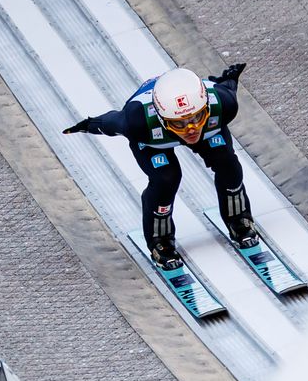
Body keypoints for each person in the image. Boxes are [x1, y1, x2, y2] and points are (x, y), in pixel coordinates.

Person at [63, 63, 254, 268]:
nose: (190, 129)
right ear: (162, 119)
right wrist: (88, 125)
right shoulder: (138, 121)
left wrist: (230, 77)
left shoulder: (224, 104)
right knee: (166, 179)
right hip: (153, 139)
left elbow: (227, 85)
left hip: (186, 130)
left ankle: (238, 219)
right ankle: (159, 240)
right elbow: (109, 122)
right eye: (179, 123)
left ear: (207, 107)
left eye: (196, 118)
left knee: (228, 164)